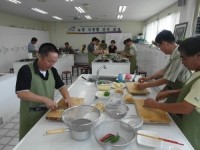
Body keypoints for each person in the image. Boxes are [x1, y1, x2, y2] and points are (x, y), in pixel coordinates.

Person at [143, 36, 200, 150]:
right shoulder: (196, 72)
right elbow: (192, 91)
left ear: (198, 55)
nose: (182, 62)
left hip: (193, 128)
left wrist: (156, 105)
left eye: (184, 58)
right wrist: (171, 92)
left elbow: (186, 108)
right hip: (185, 122)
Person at [16, 43, 72, 140]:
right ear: (39, 56)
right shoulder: (26, 70)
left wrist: (68, 98)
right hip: (31, 114)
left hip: (48, 113)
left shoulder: (52, 71)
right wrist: (45, 99)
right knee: (29, 140)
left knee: (45, 139)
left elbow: (62, 86)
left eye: (54, 62)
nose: (52, 65)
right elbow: (21, 93)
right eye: (49, 61)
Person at [136, 30, 191, 103]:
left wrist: (146, 85)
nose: (160, 49)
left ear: (164, 44)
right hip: (173, 87)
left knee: (172, 110)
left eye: (159, 47)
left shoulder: (179, 56)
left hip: (181, 90)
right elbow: (164, 71)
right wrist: (148, 78)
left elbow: (166, 79)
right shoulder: (174, 54)